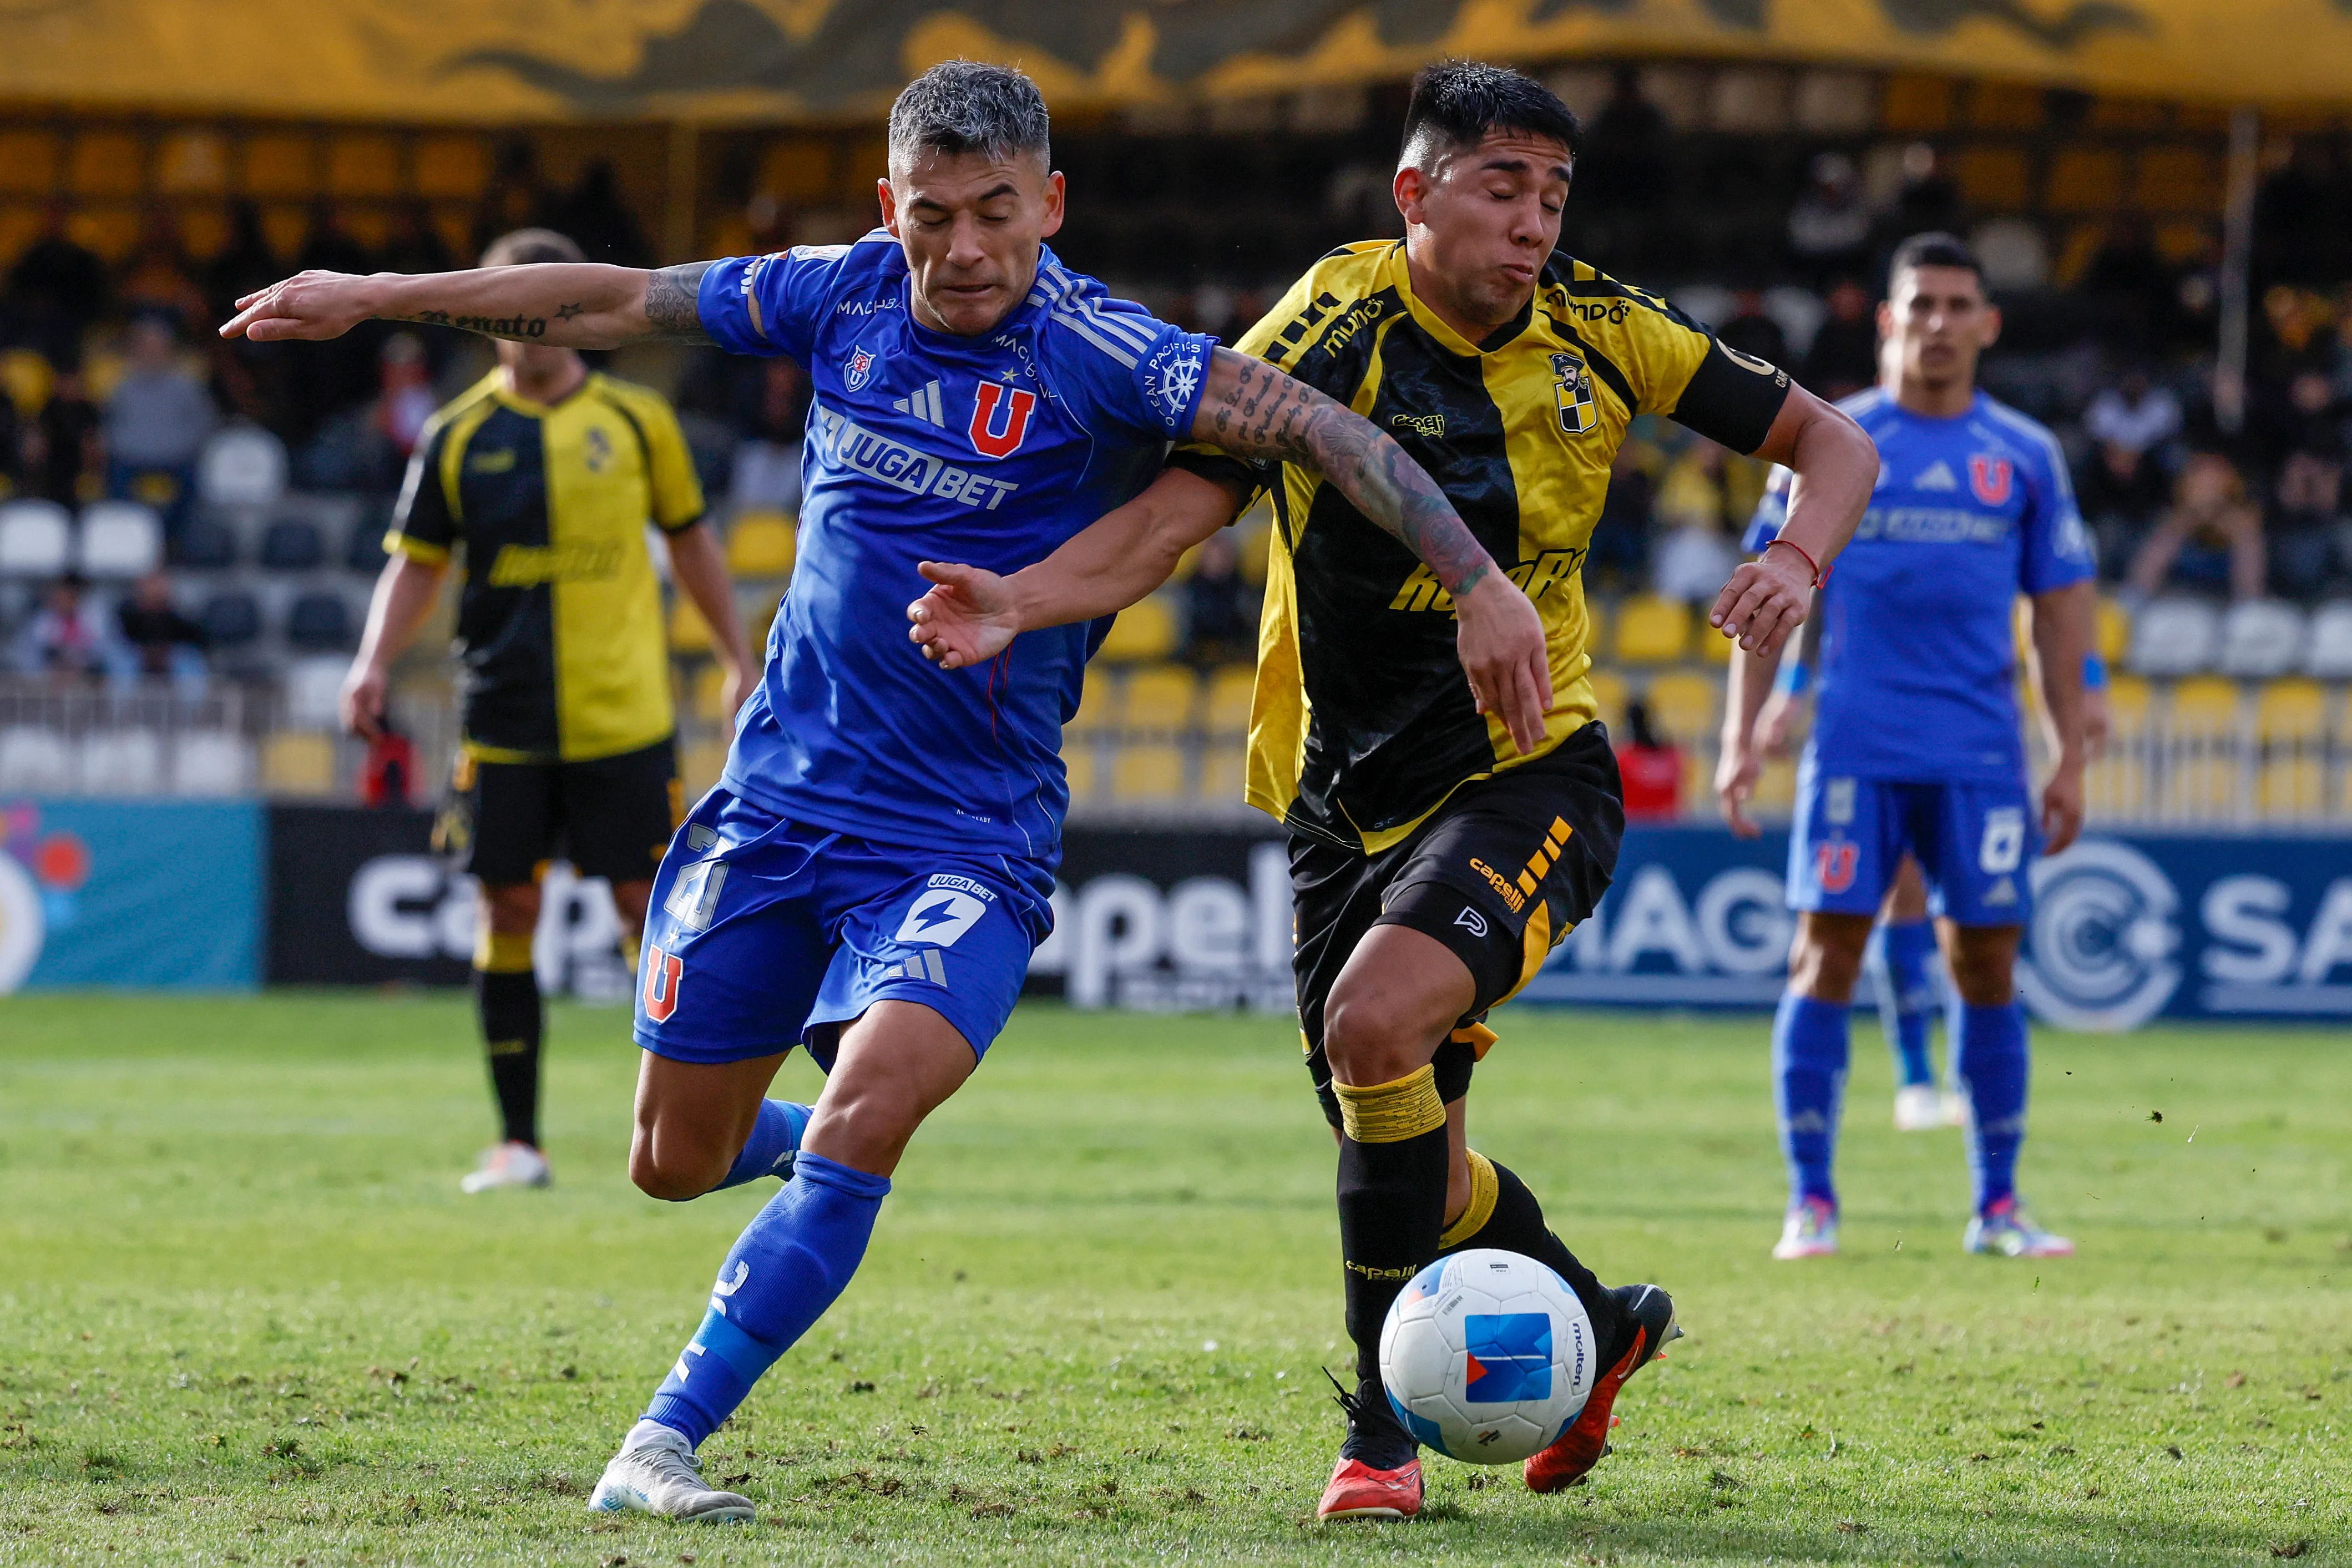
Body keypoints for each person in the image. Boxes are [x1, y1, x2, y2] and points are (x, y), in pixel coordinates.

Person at [226, 58, 1556, 1526]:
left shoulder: (1105, 349)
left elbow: (1320, 427)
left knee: (865, 1105)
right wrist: (371, 297)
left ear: (1048, 204)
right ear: (889, 205)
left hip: (963, 839)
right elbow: (610, 298)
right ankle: (826, 1178)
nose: (965, 249)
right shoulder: (839, 292)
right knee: (672, 1161)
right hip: (776, 810)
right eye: (934, 215)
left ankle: (660, 1439)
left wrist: (1476, 580)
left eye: (998, 213)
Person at [904, 62, 1878, 1521]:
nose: (1532, 222)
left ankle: (1376, 1432)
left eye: (1552, 195)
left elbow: (1831, 442)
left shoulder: (1605, 329)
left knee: (1374, 1025)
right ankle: (1601, 1328)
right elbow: (1178, 511)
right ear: (1411, 195)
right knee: (1407, 1147)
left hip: (1531, 765)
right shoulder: (1328, 326)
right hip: (1335, 804)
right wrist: (1022, 601)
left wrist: (1795, 559)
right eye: (1500, 188)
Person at [320, 227, 755, 1200]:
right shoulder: (457, 435)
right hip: (504, 723)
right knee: (505, 907)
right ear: (484, 316)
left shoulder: (639, 423)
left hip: (624, 719)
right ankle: (518, 1142)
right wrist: (371, 662)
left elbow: (692, 545)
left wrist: (737, 656)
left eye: (547, 304)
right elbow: (415, 563)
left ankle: (688, 1134)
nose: (530, 325)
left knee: (648, 916)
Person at [1718, 232, 2096, 1263]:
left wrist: (2069, 752)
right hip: (1854, 749)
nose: (1936, 323)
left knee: (1986, 964)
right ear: (1886, 320)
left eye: (1955, 305)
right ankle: (1810, 1204)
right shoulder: (1835, 445)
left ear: (1986, 323)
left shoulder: (2023, 454)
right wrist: (1737, 739)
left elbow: (2060, 612)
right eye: (1918, 304)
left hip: (1980, 757)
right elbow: (1762, 588)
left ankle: (1999, 1207)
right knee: (1823, 955)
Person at [103, 315, 216, 540]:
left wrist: (179, 447)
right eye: (146, 347)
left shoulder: (187, 387)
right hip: (130, 457)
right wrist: (126, 446)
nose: (152, 354)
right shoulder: (123, 387)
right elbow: (110, 426)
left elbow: (204, 425)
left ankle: (172, 539)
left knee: (193, 481)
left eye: (158, 348)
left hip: (176, 457)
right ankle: (127, 539)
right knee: (115, 478)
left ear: (170, 351)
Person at [2125, 449, 2264, 603]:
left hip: (2226, 608)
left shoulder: (2244, 525)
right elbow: (2138, 587)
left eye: (2214, 485)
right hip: (2175, 605)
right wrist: (2181, 525)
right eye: (2201, 484)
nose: (2207, 493)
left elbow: (2251, 595)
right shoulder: (2169, 521)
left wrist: (2240, 533)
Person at [114, 569, 208, 687]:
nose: (154, 590)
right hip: (138, 654)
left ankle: (193, 705)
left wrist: (163, 654)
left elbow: (194, 637)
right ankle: (123, 704)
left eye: (158, 584)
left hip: (170, 655)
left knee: (188, 661)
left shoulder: (177, 614)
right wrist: (147, 653)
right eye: (150, 585)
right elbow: (124, 637)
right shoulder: (127, 612)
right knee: (121, 662)